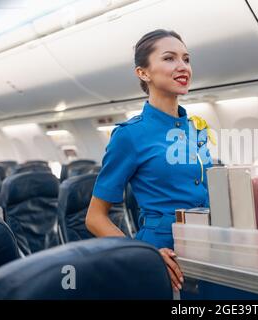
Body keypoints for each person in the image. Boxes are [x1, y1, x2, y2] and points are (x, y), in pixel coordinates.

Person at [86, 29, 212, 292]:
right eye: (169, 58)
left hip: (209, 246)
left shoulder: (196, 130)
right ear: (143, 73)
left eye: (186, 59)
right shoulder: (129, 135)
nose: (183, 67)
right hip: (163, 254)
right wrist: (143, 256)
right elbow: (95, 218)